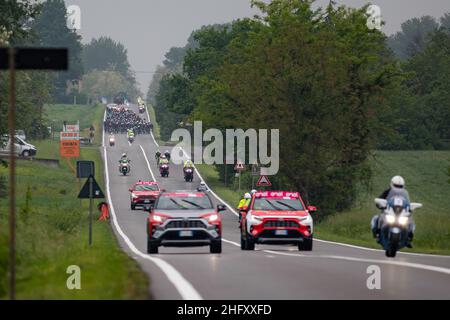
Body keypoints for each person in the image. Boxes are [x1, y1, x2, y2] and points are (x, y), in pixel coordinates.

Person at [371, 175, 414, 248]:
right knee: (377, 218)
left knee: (411, 221)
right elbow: (379, 199)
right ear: (392, 184)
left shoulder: (405, 194)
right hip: (388, 212)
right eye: (396, 185)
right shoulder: (387, 191)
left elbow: (407, 203)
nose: (398, 187)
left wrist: (410, 208)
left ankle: (408, 239)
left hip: (401, 214)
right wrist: (379, 204)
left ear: (403, 186)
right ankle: (377, 234)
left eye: (400, 186)